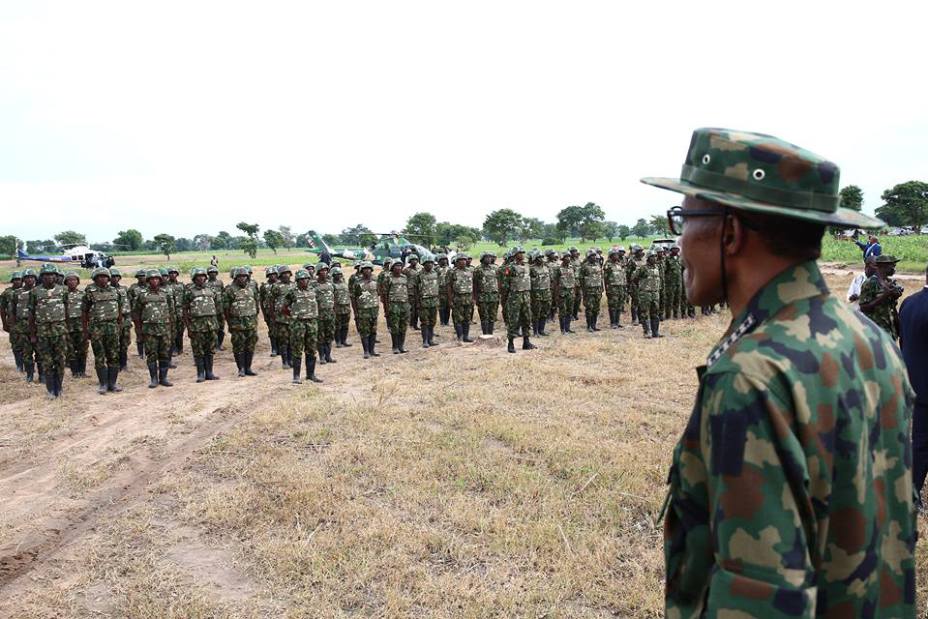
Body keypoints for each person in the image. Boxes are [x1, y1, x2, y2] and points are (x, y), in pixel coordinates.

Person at [642, 127, 914, 616]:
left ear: (730, 232)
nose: (680, 244)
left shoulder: (752, 375)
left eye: (684, 220)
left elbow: (759, 596)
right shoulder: (869, 341)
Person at [900, 264, 928, 503]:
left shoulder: (908, 303)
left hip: (913, 380)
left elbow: (904, 342)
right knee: (921, 443)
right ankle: (913, 492)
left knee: (919, 439)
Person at [30, 264, 69, 398]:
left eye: (52, 274)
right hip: (43, 332)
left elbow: (67, 311)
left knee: (60, 360)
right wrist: (33, 334)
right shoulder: (35, 292)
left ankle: (59, 387)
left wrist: (67, 330)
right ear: (42, 277)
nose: (49, 277)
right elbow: (31, 314)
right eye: (46, 275)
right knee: (47, 361)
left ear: (56, 276)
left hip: (60, 331)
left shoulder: (63, 290)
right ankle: (50, 390)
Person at [83, 267, 123, 394]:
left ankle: (113, 383)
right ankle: (103, 384)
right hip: (97, 329)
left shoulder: (115, 291)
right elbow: (84, 311)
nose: (103, 279)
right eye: (100, 276)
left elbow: (120, 309)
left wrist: (119, 325)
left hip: (112, 328)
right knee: (100, 357)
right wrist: (85, 330)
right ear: (95, 278)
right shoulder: (90, 291)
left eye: (105, 276)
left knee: (114, 356)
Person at [282, 269, 323, 384]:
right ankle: (296, 376)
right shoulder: (292, 292)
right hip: (298, 324)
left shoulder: (313, 290)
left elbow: (318, 304)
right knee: (297, 350)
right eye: (301, 280)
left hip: (312, 323)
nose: (304, 281)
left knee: (311, 349)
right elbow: (284, 308)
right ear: (297, 281)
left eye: (306, 279)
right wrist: (294, 316)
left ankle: (311, 375)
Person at [183, 267, 220, 383]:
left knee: (210, 349)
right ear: (194, 279)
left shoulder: (211, 290)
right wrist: (189, 327)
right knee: (198, 350)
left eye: (203, 276)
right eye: (198, 277)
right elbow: (184, 310)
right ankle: (200, 374)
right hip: (197, 326)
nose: (201, 279)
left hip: (211, 325)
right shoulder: (189, 292)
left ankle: (209, 372)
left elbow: (217, 306)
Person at [858, 254, 904, 340]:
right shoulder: (870, 283)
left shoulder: (889, 282)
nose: (894, 269)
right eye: (892, 266)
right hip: (876, 331)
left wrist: (894, 295)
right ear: (883, 266)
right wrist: (884, 296)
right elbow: (863, 307)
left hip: (890, 329)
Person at [224, 267, 259, 377]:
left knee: (250, 346)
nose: (242, 278)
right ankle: (241, 369)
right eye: (239, 277)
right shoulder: (229, 290)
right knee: (238, 347)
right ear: (235, 278)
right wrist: (230, 324)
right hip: (237, 324)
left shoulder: (251, 288)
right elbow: (225, 308)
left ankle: (248, 367)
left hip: (251, 323)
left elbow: (256, 303)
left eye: (244, 276)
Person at [501, 248, 535, 353]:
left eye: (522, 252)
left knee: (527, 319)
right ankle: (511, 344)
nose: (522, 255)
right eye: (520, 253)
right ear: (515, 255)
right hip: (514, 297)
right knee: (513, 321)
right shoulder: (510, 267)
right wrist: (505, 300)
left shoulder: (527, 266)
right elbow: (505, 285)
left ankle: (526, 342)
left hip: (526, 295)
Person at [9, 269, 37, 381]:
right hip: (22, 326)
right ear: (23, 279)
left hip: (38, 325)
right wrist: (14, 326)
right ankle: (29, 375)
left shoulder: (39, 291)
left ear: (35, 279)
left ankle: (43, 376)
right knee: (26, 351)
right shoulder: (17, 293)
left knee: (41, 351)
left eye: (32, 277)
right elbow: (12, 311)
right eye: (27, 277)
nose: (30, 279)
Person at [351, 262, 380, 359]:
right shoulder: (358, 283)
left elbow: (379, 293)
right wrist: (356, 312)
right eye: (365, 269)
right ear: (361, 271)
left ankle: (372, 350)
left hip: (374, 309)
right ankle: (366, 351)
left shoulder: (376, 281)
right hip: (363, 310)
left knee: (373, 331)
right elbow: (354, 298)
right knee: (365, 331)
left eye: (369, 269)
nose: (367, 271)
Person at [62, 272, 87, 378]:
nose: (72, 282)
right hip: (68, 324)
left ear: (78, 282)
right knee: (70, 349)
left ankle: (82, 371)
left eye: (74, 280)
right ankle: (75, 372)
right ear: (66, 282)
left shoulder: (83, 295)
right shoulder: (62, 295)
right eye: (69, 280)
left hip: (81, 324)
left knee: (83, 349)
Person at [382, 260, 410, 354]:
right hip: (394, 305)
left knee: (403, 326)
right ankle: (395, 347)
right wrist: (386, 308)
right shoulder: (388, 278)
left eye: (400, 266)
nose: (398, 268)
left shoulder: (404, 277)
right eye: (396, 266)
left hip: (404, 304)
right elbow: (385, 294)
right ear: (392, 268)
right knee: (395, 326)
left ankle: (401, 346)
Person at [634, 251, 663, 338]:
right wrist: (642, 287)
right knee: (645, 313)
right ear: (648, 258)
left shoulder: (657, 267)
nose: (654, 258)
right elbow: (634, 278)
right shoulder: (643, 268)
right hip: (645, 294)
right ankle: (647, 332)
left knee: (655, 313)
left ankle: (655, 332)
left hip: (655, 293)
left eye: (655, 256)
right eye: (652, 257)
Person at [270, 266, 295, 368]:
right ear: (280, 275)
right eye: (283, 273)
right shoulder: (276, 286)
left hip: (293, 317)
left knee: (292, 340)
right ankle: (285, 362)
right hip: (281, 318)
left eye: (287, 273)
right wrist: (272, 316)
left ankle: (291, 360)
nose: (286, 275)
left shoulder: (294, 285)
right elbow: (271, 301)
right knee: (283, 341)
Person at [447, 254, 475, 343]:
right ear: (457, 262)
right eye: (461, 260)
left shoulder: (470, 271)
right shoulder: (452, 272)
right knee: (458, 319)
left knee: (467, 318)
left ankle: (466, 336)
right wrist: (450, 300)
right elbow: (448, 286)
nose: (463, 261)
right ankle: (460, 337)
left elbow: (473, 285)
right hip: (457, 298)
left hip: (468, 298)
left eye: (464, 260)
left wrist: (474, 298)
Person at [109, 268, 132, 370]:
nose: (115, 278)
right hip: (113, 320)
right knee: (113, 343)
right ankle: (115, 364)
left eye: (116, 276)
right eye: (112, 277)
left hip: (125, 319)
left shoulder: (125, 289)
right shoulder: (108, 290)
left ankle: (124, 364)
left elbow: (130, 302)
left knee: (125, 342)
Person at [1, 271, 24, 372]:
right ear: (12, 281)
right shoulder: (7, 293)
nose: (17, 281)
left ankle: (27, 364)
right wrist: (4, 323)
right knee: (15, 344)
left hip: (25, 321)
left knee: (27, 344)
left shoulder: (28, 291)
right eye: (15, 280)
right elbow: (2, 309)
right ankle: (19, 364)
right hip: (13, 322)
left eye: (19, 279)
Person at [314, 264, 337, 364]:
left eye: (326, 270)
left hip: (330, 313)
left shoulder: (330, 284)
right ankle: (322, 356)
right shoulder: (313, 285)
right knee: (320, 336)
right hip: (319, 314)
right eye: (322, 271)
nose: (324, 272)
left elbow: (334, 297)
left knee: (330, 335)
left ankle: (328, 356)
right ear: (318, 272)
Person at [473, 252, 499, 335]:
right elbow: (475, 284)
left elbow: (498, 281)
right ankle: (485, 334)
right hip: (482, 296)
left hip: (493, 296)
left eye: (490, 257)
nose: (489, 259)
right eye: (486, 257)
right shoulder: (478, 270)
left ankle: (490, 334)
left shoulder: (495, 269)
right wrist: (475, 298)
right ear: (482, 259)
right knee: (484, 317)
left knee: (492, 316)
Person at [578, 249, 604, 332]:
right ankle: (589, 326)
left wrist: (602, 287)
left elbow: (601, 277)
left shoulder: (598, 265)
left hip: (597, 290)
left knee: (596, 309)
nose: (594, 257)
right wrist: (584, 290)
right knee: (589, 308)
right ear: (588, 257)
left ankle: (594, 325)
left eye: (594, 255)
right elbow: (581, 279)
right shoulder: (584, 266)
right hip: (589, 291)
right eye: (592, 256)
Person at [417, 257, 440, 347]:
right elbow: (415, 289)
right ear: (423, 264)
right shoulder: (419, 275)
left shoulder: (435, 273)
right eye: (428, 263)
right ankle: (425, 341)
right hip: (424, 300)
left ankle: (431, 339)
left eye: (431, 263)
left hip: (434, 300)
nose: (430, 264)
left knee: (432, 321)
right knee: (424, 322)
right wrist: (417, 302)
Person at [552, 252, 576, 335]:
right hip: (562, 292)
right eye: (566, 257)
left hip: (571, 292)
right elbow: (555, 282)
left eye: (569, 257)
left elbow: (574, 280)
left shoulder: (572, 267)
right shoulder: (558, 268)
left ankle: (567, 328)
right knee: (563, 311)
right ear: (563, 258)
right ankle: (562, 329)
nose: (568, 258)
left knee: (570, 311)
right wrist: (555, 295)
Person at [128, 269, 148, 358]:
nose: (142, 278)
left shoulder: (150, 286)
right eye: (140, 276)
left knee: (149, 334)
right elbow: (128, 301)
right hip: (137, 314)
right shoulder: (133, 288)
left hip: (148, 314)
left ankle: (148, 352)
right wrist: (131, 314)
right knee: (139, 333)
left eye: (143, 276)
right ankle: (140, 353)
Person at [206, 265, 226, 351]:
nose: (212, 274)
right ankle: (213, 344)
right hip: (210, 310)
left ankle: (220, 344)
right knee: (212, 328)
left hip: (220, 309)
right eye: (210, 273)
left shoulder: (220, 283)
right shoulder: (206, 284)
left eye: (214, 272)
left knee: (221, 327)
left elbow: (223, 294)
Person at [331, 267, 353, 348]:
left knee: (345, 325)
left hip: (346, 306)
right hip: (337, 307)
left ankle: (344, 340)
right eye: (337, 274)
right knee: (337, 326)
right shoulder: (332, 285)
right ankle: (338, 341)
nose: (339, 276)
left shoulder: (344, 283)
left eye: (340, 274)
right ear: (333, 275)